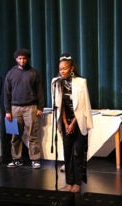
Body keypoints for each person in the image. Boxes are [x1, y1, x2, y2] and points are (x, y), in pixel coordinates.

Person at [51, 53, 93, 193]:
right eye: (60, 68)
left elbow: (83, 105)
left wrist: (73, 123)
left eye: (65, 68)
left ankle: (77, 182)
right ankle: (69, 181)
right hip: (65, 122)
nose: (62, 70)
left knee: (78, 153)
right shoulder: (57, 82)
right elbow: (59, 105)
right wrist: (65, 123)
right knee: (67, 153)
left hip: (78, 121)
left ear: (71, 68)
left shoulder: (81, 82)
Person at [4, 48, 45, 169]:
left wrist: (40, 107)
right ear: (16, 59)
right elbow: (6, 93)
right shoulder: (11, 73)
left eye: (24, 58)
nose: (22, 60)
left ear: (27, 59)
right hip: (14, 108)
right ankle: (17, 159)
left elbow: (40, 92)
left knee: (32, 135)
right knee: (15, 135)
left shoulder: (34, 72)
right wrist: (7, 111)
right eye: (20, 58)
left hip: (30, 107)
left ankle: (35, 159)